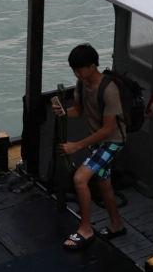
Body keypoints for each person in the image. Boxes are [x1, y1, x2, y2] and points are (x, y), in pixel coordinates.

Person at [51, 43, 127, 250]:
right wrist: (63, 111)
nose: (76, 73)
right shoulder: (82, 83)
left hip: (112, 141)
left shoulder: (109, 90)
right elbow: (78, 110)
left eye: (79, 69)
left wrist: (77, 146)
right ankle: (117, 225)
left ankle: (85, 229)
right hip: (98, 141)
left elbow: (108, 130)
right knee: (104, 184)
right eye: (73, 70)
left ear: (92, 66)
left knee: (80, 178)